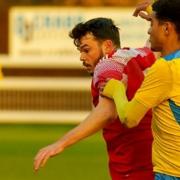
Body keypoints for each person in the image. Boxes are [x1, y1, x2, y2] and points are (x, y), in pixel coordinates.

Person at [34, 17, 156, 179]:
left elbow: (107, 112)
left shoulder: (106, 65)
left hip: (132, 165)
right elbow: (157, 47)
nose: (82, 57)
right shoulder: (135, 54)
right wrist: (154, 16)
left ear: (107, 46)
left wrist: (60, 143)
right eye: (80, 51)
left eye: (86, 50)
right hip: (156, 160)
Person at [102, 0, 180, 179]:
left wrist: (116, 89)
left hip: (171, 173)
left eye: (152, 24)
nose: (148, 30)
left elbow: (129, 118)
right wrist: (156, 12)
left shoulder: (164, 69)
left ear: (167, 28)